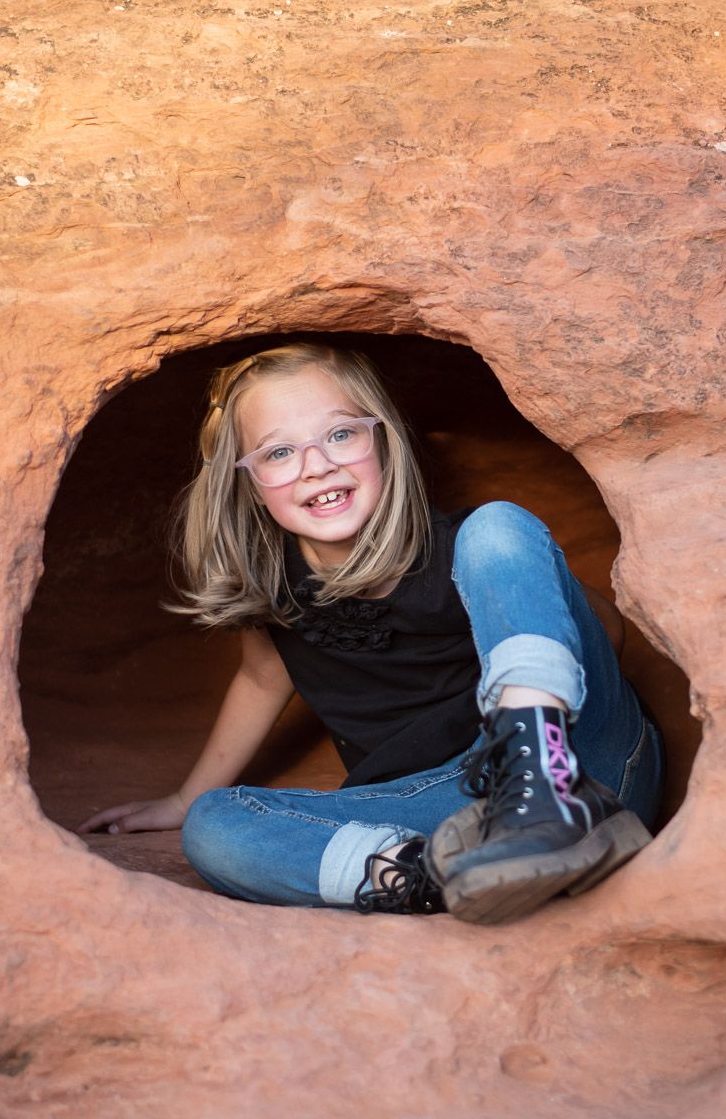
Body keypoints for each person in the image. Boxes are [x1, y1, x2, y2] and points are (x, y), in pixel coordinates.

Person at [79, 343, 664, 924]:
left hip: (585, 762)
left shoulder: (464, 547)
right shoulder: (279, 589)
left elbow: (602, 635)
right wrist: (184, 801)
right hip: (449, 809)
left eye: (340, 435)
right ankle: (444, 875)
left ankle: (546, 801)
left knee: (498, 526)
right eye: (279, 452)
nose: (316, 464)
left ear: (381, 439)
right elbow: (260, 679)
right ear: (248, 481)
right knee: (213, 827)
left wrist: (530, 590)